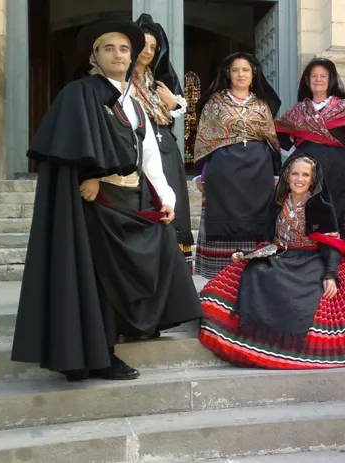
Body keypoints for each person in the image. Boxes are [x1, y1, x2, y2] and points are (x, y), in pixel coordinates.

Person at [11, 19, 202, 382]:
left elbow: (149, 156)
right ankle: (100, 355)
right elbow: (69, 142)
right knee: (97, 278)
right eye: (109, 48)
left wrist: (167, 198)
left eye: (124, 49)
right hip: (97, 202)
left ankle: (141, 322)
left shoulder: (136, 104)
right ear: (94, 56)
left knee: (160, 247)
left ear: (132, 58)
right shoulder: (79, 93)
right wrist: (90, 174)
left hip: (134, 197)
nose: (118, 54)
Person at [198, 154, 345, 369]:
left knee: (309, 293)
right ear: (287, 176)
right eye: (295, 174)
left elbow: (331, 244)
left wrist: (330, 274)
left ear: (312, 179)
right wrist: (245, 254)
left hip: (313, 259)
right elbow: (268, 240)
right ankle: (257, 335)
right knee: (253, 272)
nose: (299, 179)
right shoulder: (277, 204)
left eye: (305, 175)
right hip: (283, 256)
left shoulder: (321, 207)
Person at [193, 53, 282, 278]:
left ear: (253, 75)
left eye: (245, 70)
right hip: (223, 173)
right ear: (228, 74)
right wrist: (201, 173)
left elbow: (272, 141)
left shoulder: (262, 105)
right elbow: (204, 139)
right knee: (223, 217)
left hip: (259, 171)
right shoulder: (215, 104)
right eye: (235, 70)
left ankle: (253, 273)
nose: (240, 74)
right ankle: (221, 277)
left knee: (258, 221)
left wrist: (275, 174)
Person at [275, 58, 345, 255]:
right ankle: (307, 250)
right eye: (314, 76)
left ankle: (332, 255)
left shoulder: (344, 106)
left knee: (334, 207)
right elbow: (280, 131)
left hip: (335, 166)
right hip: (306, 165)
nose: (318, 79)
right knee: (307, 205)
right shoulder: (299, 110)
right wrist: (293, 151)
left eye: (323, 76)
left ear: (330, 79)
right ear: (307, 81)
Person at [133, 13, 194, 270]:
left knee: (172, 200)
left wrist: (172, 104)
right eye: (143, 45)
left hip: (166, 148)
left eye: (153, 47)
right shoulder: (123, 80)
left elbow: (176, 111)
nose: (148, 51)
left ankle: (174, 266)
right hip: (137, 147)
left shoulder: (158, 80)